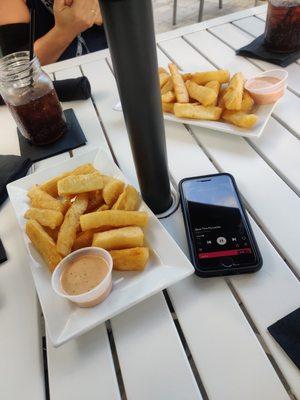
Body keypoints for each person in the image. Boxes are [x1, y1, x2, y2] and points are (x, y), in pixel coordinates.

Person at [0, 0, 107, 65]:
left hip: (114, 68)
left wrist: (109, 14)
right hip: (62, 87)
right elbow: (16, 67)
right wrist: (65, 30)